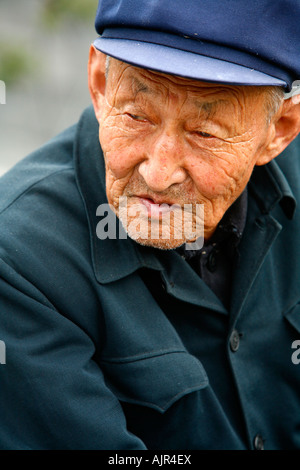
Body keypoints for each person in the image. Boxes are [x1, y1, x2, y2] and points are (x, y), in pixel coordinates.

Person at [0, 0, 300, 451]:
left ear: (280, 128)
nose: (158, 175)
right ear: (100, 85)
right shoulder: (20, 258)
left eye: (205, 133)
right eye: (137, 116)